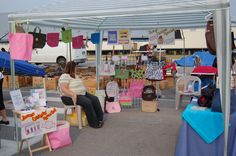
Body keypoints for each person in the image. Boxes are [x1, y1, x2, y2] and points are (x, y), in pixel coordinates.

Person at [59, 61, 104, 128]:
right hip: (68, 97)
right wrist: (73, 94)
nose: (76, 68)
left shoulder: (75, 75)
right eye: (75, 67)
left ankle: (99, 118)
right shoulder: (64, 76)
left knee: (95, 99)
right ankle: (94, 123)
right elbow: (64, 89)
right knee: (87, 102)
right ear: (71, 68)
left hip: (82, 94)